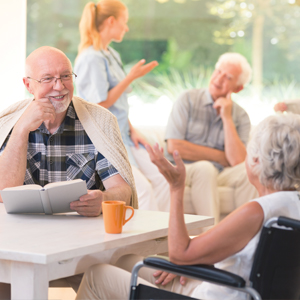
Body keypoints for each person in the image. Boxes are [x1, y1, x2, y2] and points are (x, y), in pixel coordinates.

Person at [75, 113, 300, 300]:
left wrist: (176, 187)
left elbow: (180, 254)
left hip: (216, 295)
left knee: (97, 275)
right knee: (124, 261)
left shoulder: (257, 211)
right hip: (232, 288)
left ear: (256, 161)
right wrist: (187, 260)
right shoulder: (290, 206)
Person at [0, 45, 137, 297]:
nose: (59, 86)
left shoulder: (98, 121)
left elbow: (124, 190)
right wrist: (21, 131)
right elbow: (3, 193)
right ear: (28, 85)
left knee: (120, 277)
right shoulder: (8, 123)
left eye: (65, 76)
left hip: (81, 247)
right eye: (48, 79)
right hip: (19, 243)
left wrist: (104, 200)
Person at [74, 0, 169, 211]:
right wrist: (130, 77)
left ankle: (163, 237)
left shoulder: (111, 54)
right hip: (106, 140)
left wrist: (133, 130)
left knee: (163, 178)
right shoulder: (91, 58)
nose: (126, 27)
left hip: (124, 134)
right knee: (141, 189)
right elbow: (98, 106)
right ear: (111, 21)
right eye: (124, 22)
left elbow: (119, 104)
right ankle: (145, 239)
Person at [163, 52, 258, 222]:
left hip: (220, 173)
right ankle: (211, 240)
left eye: (228, 77)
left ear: (238, 88)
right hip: (185, 169)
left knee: (250, 169)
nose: (219, 78)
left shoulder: (241, 116)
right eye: (218, 71)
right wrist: (221, 157)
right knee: (205, 168)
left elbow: (237, 161)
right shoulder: (188, 99)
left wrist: (227, 118)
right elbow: (174, 147)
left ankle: (247, 236)